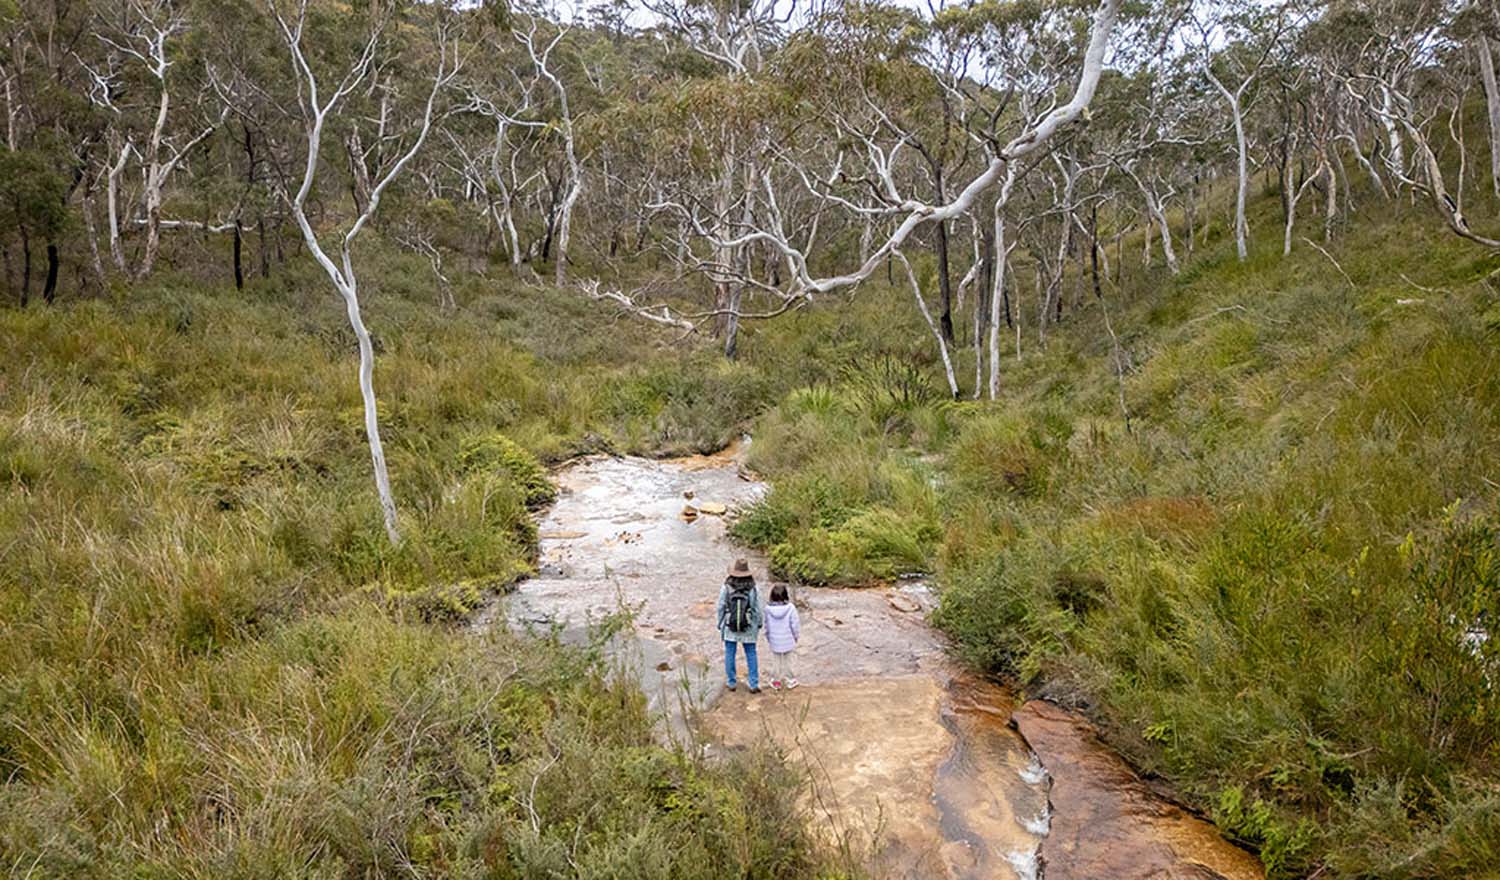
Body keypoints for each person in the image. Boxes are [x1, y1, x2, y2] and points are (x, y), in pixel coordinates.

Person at [716, 558, 763, 693]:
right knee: (751, 653)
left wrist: (719, 623)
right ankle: (753, 684)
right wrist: (759, 623)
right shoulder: (753, 587)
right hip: (748, 625)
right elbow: (757, 608)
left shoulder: (726, 586)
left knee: (730, 653)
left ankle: (731, 682)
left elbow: (720, 606)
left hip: (730, 625)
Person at [763, 583, 801, 689]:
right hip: (788, 640)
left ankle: (776, 682)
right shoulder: (791, 608)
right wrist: (796, 636)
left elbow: (766, 626)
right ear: (786, 595)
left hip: (774, 640)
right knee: (789, 661)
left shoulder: (767, 609)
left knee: (776, 662)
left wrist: (768, 637)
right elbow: (795, 624)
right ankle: (791, 680)